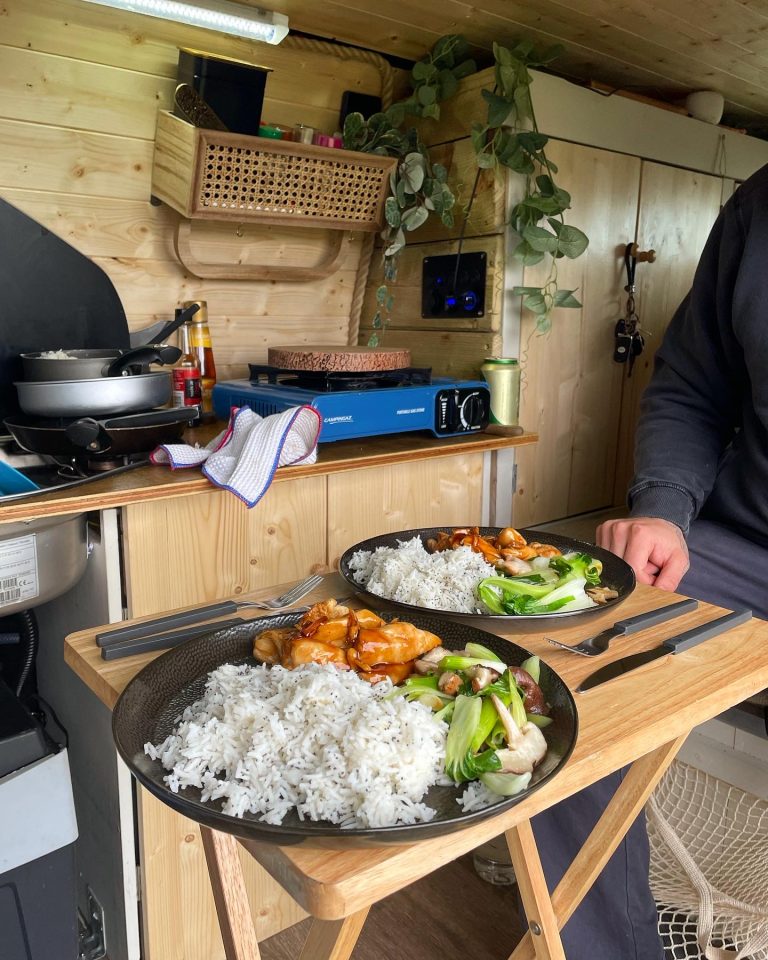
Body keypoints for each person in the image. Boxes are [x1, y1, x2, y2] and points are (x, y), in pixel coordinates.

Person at [529, 161, 768, 959]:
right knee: (554, 681)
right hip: (741, 542)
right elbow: (696, 387)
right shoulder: (759, 205)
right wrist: (663, 510)